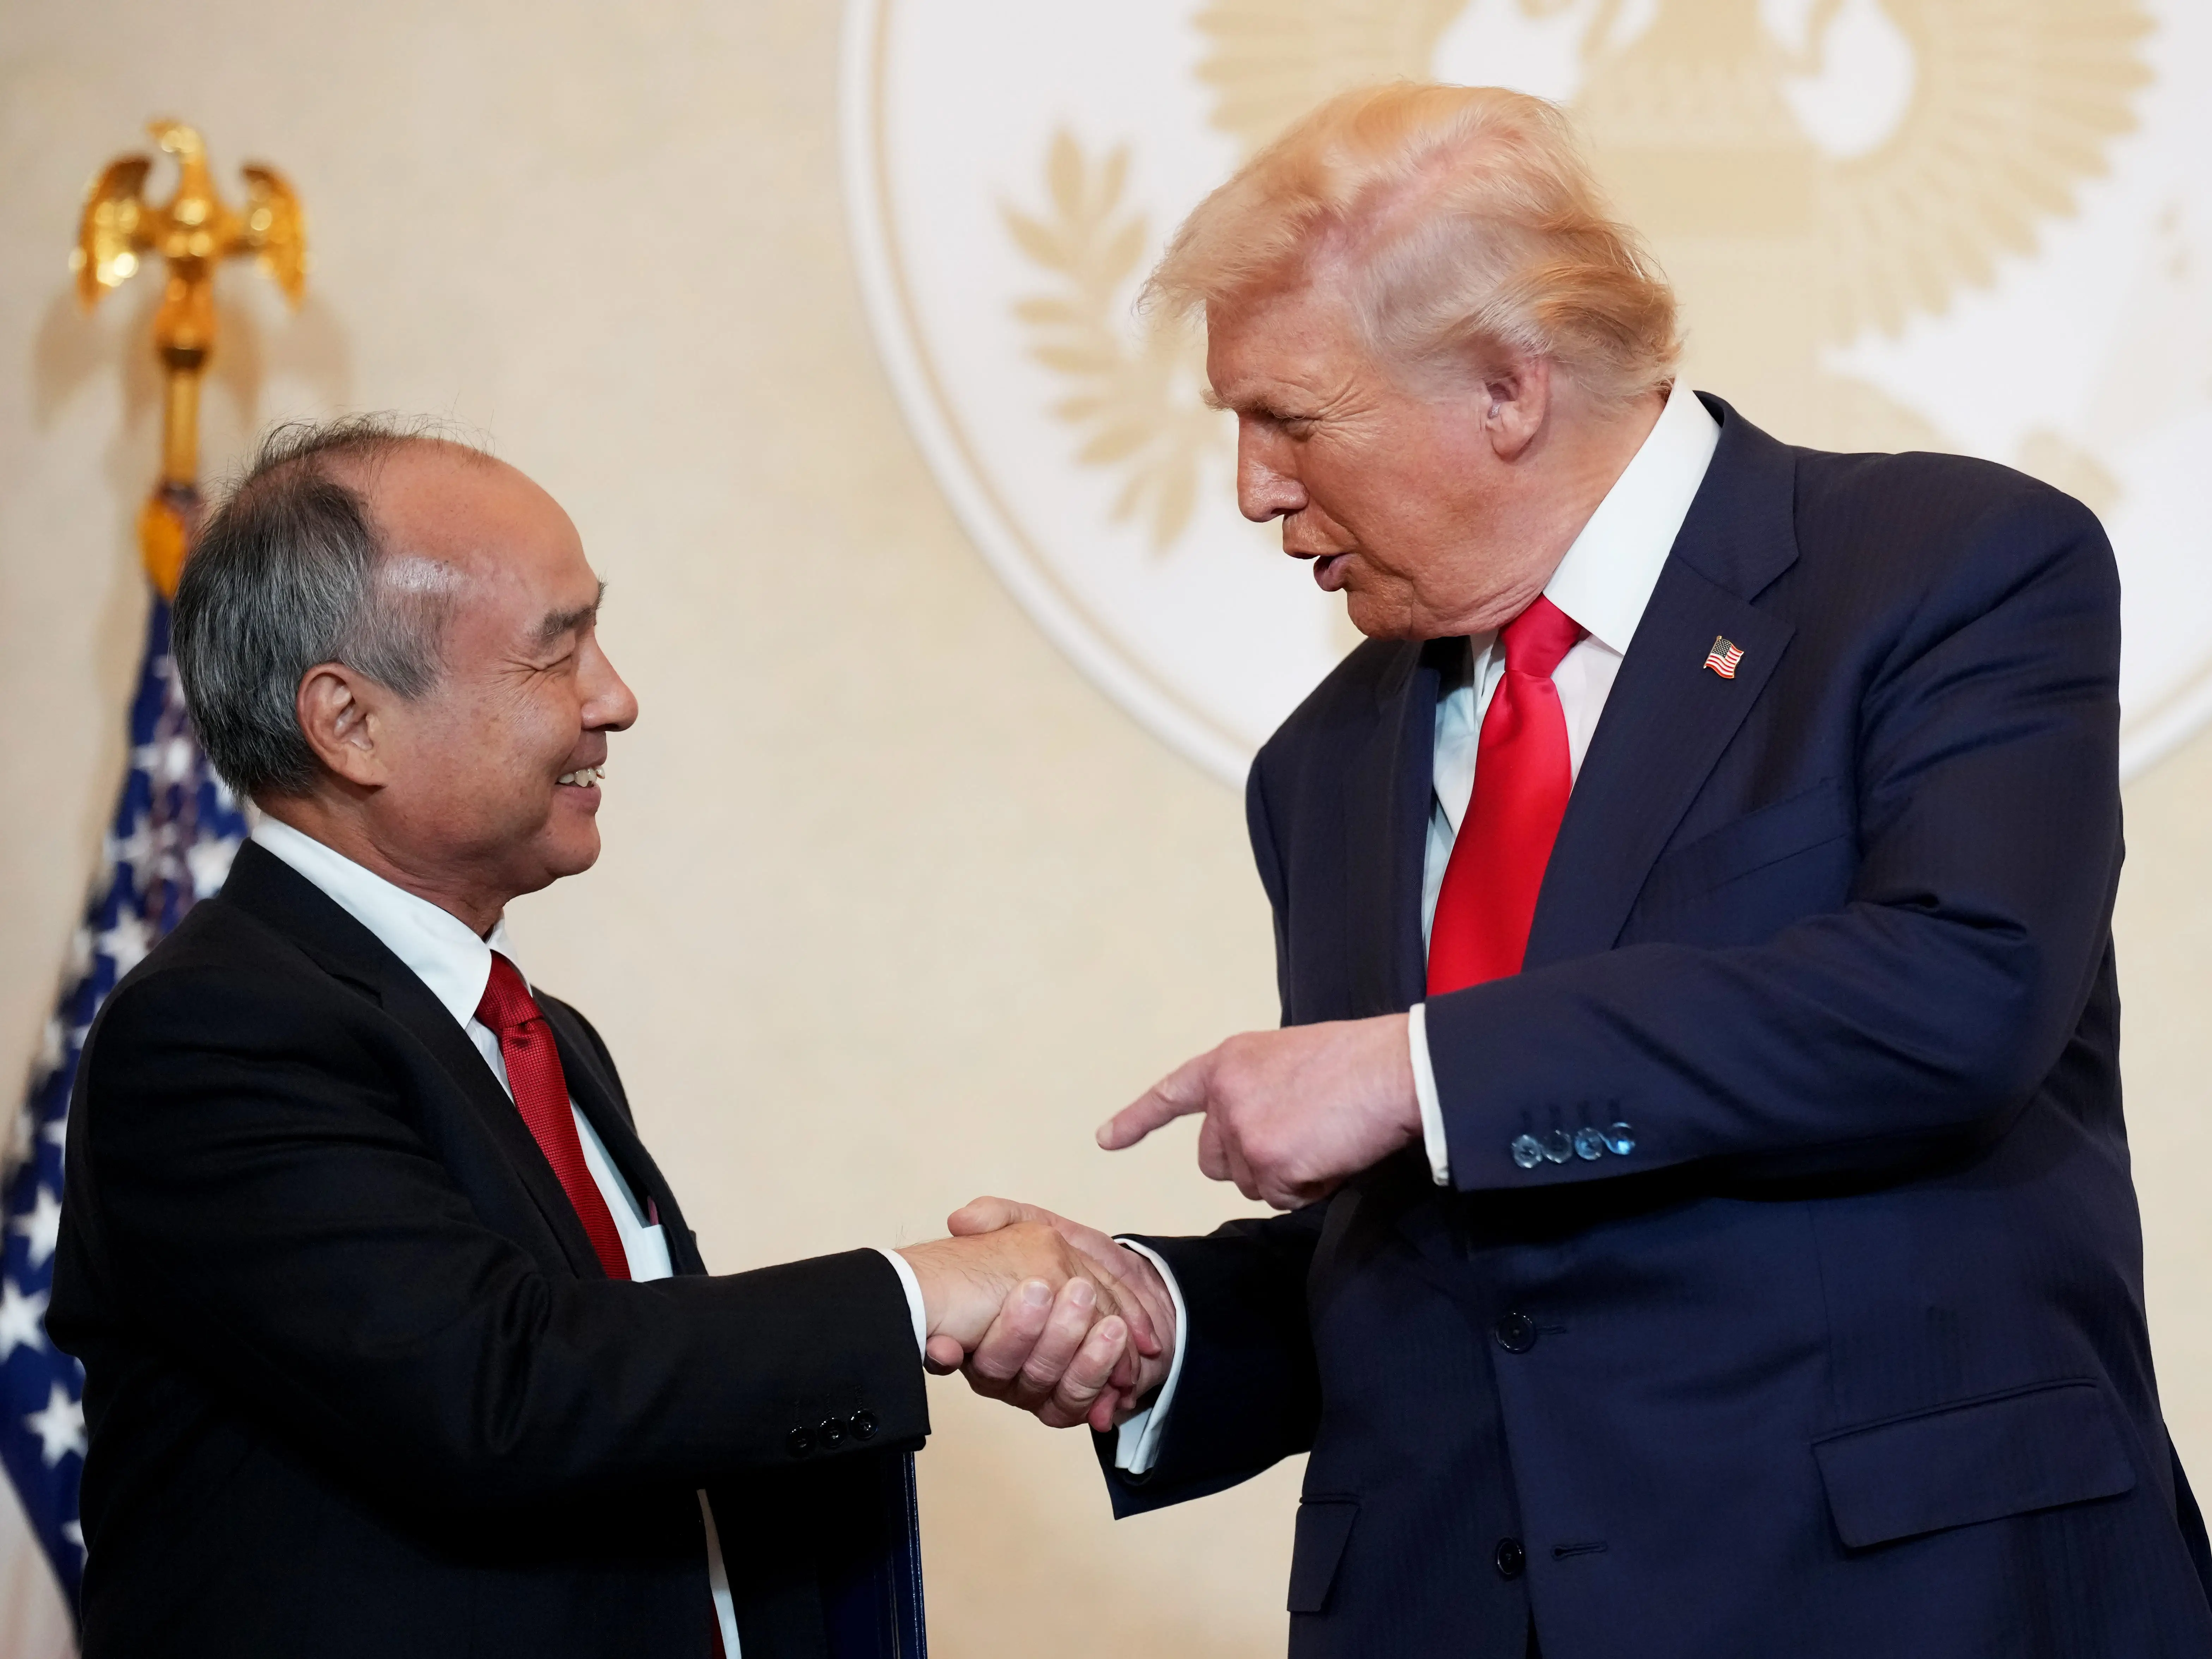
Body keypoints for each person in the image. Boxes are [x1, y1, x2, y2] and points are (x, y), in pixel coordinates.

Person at [946, 83, 2212, 1656]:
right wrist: (1155, 1323)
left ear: (1504, 387)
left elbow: (1958, 992)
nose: (1256, 490)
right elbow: (1438, 1238)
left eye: (1287, 417)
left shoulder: (1948, 566)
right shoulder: (1325, 763)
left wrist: (1414, 1067)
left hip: (1901, 1600)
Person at [48, 418, 1151, 1659]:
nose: (614, 698)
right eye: (555, 651)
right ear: (348, 722)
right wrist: (919, 1290)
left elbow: (638, 1429)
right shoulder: (215, 1032)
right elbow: (500, 1391)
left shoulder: (536, 1036)